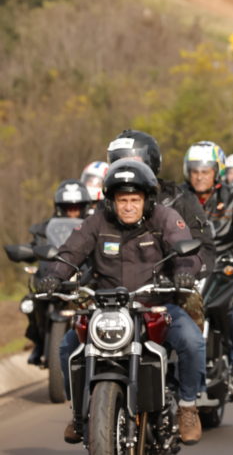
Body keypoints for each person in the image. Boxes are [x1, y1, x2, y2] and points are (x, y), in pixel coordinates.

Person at [39, 160, 204, 445]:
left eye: (134, 200)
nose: (128, 206)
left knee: (192, 341)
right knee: (67, 348)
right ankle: (79, 413)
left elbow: (185, 251)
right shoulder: (98, 221)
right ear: (112, 201)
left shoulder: (164, 218)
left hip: (156, 305)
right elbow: (71, 251)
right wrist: (54, 275)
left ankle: (188, 406)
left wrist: (186, 273)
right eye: (122, 200)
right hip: (106, 308)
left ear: (147, 200)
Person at [182, 141, 233, 391]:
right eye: (195, 171)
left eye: (205, 171)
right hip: (186, 271)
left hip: (224, 270)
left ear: (217, 172)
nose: (200, 176)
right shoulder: (177, 199)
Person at [106, 129, 215, 281]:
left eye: (132, 161)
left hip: (168, 286)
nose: (126, 168)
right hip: (116, 288)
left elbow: (203, 247)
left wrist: (185, 273)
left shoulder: (180, 199)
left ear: (151, 161)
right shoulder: (109, 203)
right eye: (119, 162)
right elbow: (85, 243)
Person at [25, 180, 92, 365]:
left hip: (82, 275)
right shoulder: (45, 228)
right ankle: (38, 341)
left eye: (76, 207)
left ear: (85, 206)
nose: (72, 211)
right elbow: (35, 245)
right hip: (52, 274)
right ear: (59, 208)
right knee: (32, 301)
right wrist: (29, 250)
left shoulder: (95, 225)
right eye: (67, 207)